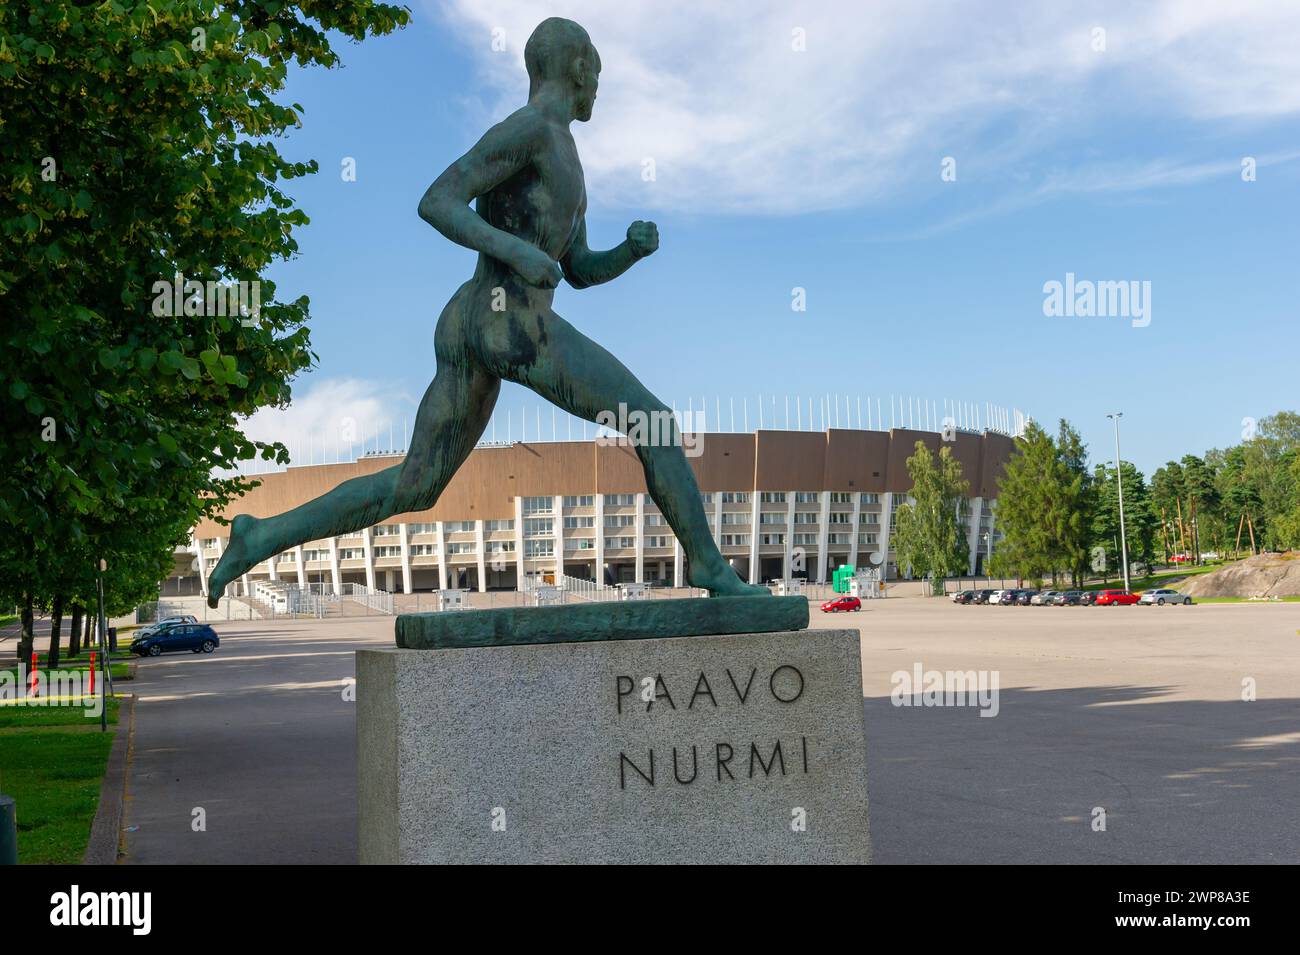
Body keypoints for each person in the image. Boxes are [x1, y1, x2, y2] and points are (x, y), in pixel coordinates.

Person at [206, 18, 767, 605]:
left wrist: (628, 252)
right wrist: (517, 251)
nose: (599, 86)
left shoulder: (566, 157)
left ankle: (260, 535)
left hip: (471, 322)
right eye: (597, 72)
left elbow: (575, 269)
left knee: (414, 484)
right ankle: (709, 568)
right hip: (513, 323)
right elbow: (438, 200)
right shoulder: (530, 130)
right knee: (655, 424)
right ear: (579, 68)